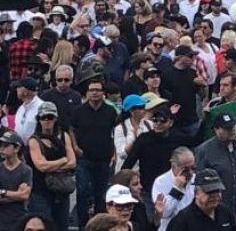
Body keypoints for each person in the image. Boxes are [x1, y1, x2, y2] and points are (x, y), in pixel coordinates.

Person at [72, 77, 119, 228]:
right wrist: (75, 147)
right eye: (91, 90)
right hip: (84, 157)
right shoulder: (79, 111)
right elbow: (71, 129)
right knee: (83, 191)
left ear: (103, 93)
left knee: (101, 194)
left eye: (98, 90)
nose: (95, 93)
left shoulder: (111, 111)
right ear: (87, 93)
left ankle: (99, 227)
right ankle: (82, 225)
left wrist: (114, 151)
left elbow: (116, 131)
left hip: (104, 158)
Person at [195, 113, 236, 226]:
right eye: (227, 128)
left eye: (233, 127)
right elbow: (199, 183)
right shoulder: (204, 150)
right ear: (216, 129)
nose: (231, 130)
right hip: (215, 211)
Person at [26, 102, 76, 230]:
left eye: (50, 117)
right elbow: (41, 166)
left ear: (56, 119)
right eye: (44, 118)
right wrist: (63, 160)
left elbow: (73, 162)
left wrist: (52, 166)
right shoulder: (34, 140)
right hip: (40, 191)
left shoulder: (64, 136)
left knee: (62, 226)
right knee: (43, 225)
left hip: (62, 190)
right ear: (39, 120)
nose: (47, 121)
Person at [164, 169, 236, 230]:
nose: (214, 196)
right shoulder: (183, 220)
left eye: (217, 191)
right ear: (196, 193)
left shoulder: (225, 212)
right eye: (209, 191)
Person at [151, 147, 195, 231]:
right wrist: (177, 189)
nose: (190, 172)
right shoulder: (160, 182)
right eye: (185, 169)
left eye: (193, 167)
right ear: (174, 166)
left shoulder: (196, 179)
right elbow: (165, 213)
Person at [0, 131, 33, 230]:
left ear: (16, 148)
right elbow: (20, 195)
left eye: (6, 145)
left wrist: (3, 192)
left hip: (19, 217)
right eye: (1, 145)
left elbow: (24, 195)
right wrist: (16, 195)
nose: (1, 148)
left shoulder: (26, 170)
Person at [114, 95, 152, 172]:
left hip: (145, 170)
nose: (144, 109)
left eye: (144, 106)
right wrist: (136, 140)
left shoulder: (149, 125)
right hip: (126, 171)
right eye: (141, 107)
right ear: (131, 111)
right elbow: (121, 154)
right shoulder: (120, 128)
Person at [39, 65, 81, 132]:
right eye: (60, 80)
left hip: (70, 133)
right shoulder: (46, 96)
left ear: (71, 80)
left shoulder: (76, 96)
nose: (63, 82)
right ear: (56, 80)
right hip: (51, 133)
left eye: (66, 80)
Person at [14, 77, 45, 144]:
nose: (16, 89)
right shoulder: (21, 108)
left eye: (18, 87)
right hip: (20, 148)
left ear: (25, 91)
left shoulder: (42, 107)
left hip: (35, 148)